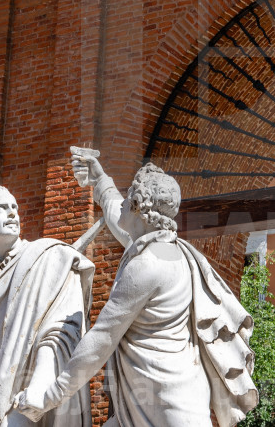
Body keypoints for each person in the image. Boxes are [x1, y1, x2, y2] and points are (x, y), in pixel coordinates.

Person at [14, 156, 257, 427]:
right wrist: (100, 180)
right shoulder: (167, 250)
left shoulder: (145, 266)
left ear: (137, 206)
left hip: (164, 405)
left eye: (127, 198)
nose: (122, 205)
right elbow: (116, 213)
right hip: (169, 393)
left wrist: (51, 396)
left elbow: (101, 340)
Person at [0, 186, 94, 427]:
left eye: (14, 207)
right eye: (2, 208)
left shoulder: (48, 256)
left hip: (24, 395)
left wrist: (40, 384)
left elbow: (63, 329)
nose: (12, 213)